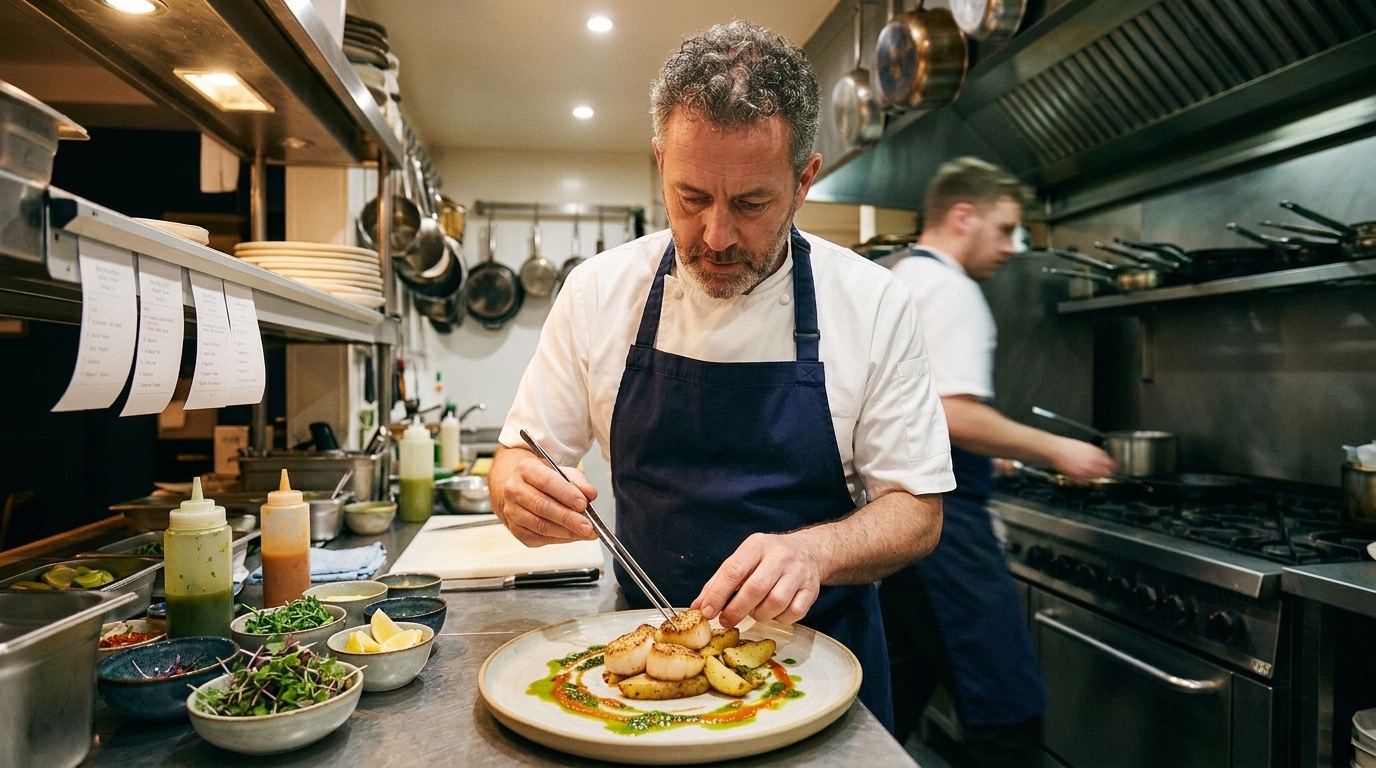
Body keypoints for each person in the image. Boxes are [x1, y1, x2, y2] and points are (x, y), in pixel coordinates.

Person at [488, 21, 954, 729]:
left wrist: (815, 549)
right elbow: (522, 452)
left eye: (751, 204)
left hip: (823, 673)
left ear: (804, 181)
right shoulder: (597, 291)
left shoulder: (872, 303)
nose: (716, 237)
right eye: (692, 197)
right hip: (645, 672)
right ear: (659, 164)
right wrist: (514, 486)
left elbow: (917, 511)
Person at [879, 157, 1117, 766]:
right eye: (1006, 229)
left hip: (896, 520)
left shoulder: (902, 276)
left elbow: (917, 415)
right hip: (943, 527)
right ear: (963, 216)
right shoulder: (951, 289)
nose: (1013, 248)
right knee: (1008, 709)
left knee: (891, 699)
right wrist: (1056, 447)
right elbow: (953, 413)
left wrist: (994, 459)